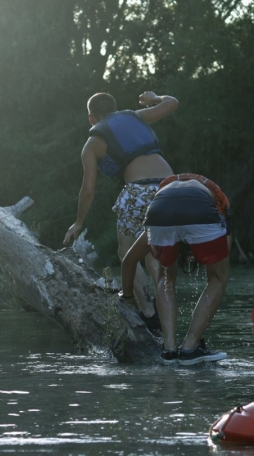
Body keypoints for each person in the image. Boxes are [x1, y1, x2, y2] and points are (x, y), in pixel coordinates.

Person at [63, 91, 179, 329]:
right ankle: (167, 316)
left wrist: (79, 222)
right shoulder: (135, 116)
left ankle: (149, 312)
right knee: (154, 254)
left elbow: (88, 190)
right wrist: (154, 97)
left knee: (129, 254)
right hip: (172, 189)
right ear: (115, 108)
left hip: (139, 192)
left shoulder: (92, 143)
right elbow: (172, 103)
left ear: (91, 118)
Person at [120, 174, 231, 365]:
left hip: (157, 211)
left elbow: (128, 260)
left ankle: (169, 350)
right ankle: (190, 348)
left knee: (165, 275)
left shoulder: (165, 196)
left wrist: (128, 297)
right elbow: (222, 257)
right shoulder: (218, 200)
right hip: (200, 209)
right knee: (218, 278)